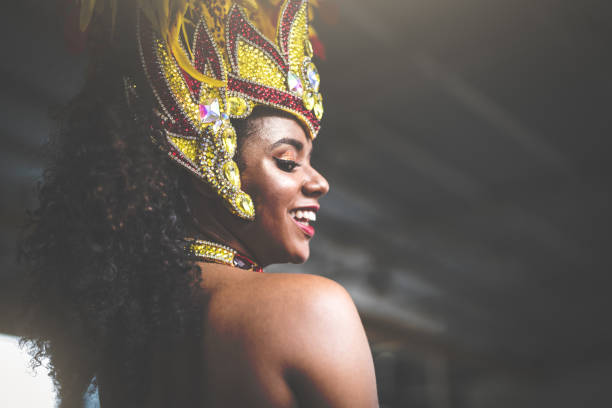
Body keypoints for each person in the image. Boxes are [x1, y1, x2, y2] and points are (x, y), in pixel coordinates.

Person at [20, 0, 378, 407]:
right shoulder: (310, 309)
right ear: (209, 163)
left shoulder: (128, 345)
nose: (320, 183)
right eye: (287, 161)